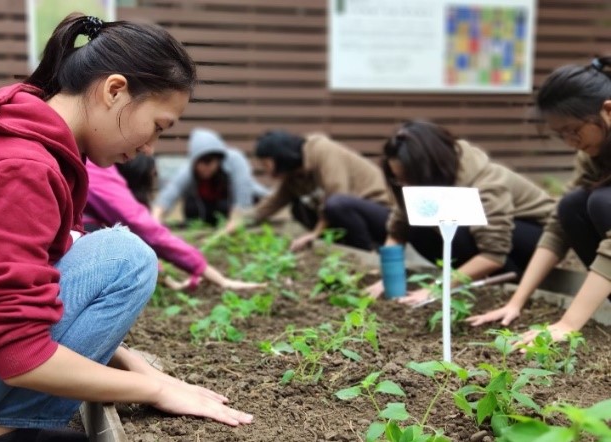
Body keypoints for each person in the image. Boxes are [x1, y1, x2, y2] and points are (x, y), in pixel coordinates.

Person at [0, 14, 252, 442]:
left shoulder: (29, 149)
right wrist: (156, 388)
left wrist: (127, 360)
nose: (150, 147)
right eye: (158, 127)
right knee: (123, 258)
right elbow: (21, 354)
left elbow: (20, 298)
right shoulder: (14, 168)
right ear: (114, 90)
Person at [467, 57, 611, 343]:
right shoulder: (592, 155)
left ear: (608, 110)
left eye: (574, 130)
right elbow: (559, 225)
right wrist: (516, 302)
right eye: (561, 134)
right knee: (571, 205)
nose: (570, 141)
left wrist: (568, 324)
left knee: (601, 202)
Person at [365, 120, 555, 303]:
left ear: (430, 170)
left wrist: (435, 289)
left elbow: (493, 255)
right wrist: (390, 280)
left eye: (410, 179)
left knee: (456, 229)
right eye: (399, 180)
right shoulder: (419, 186)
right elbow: (397, 232)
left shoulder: (488, 183)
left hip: (537, 238)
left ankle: (510, 279)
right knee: (418, 223)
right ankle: (472, 276)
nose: (407, 186)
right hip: (486, 241)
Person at [84, 156, 265, 291]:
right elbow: (146, 230)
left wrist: (169, 281)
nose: (148, 148)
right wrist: (218, 278)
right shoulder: (98, 170)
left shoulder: (94, 162)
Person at [253, 130, 392, 251]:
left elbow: (338, 192)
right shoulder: (293, 175)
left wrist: (315, 233)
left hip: (381, 214)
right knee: (298, 207)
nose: (266, 170)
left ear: (281, 156)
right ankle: (343, 246)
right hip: (351, 215)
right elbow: (271, 203)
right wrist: (241, 222)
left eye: (266, 164)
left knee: (336, 204)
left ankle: (368, 251)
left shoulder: (322, 149)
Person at [152, 128, 269, 234]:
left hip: (232, 205)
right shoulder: (189, 170)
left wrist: (234, 223)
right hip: (206, 209)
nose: (205, 167)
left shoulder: (235, 160)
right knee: (191, 206)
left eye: (209, 161)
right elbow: (171, 192)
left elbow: (243, 196)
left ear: (218, 159)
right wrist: (155, 219)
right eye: (200, 162)